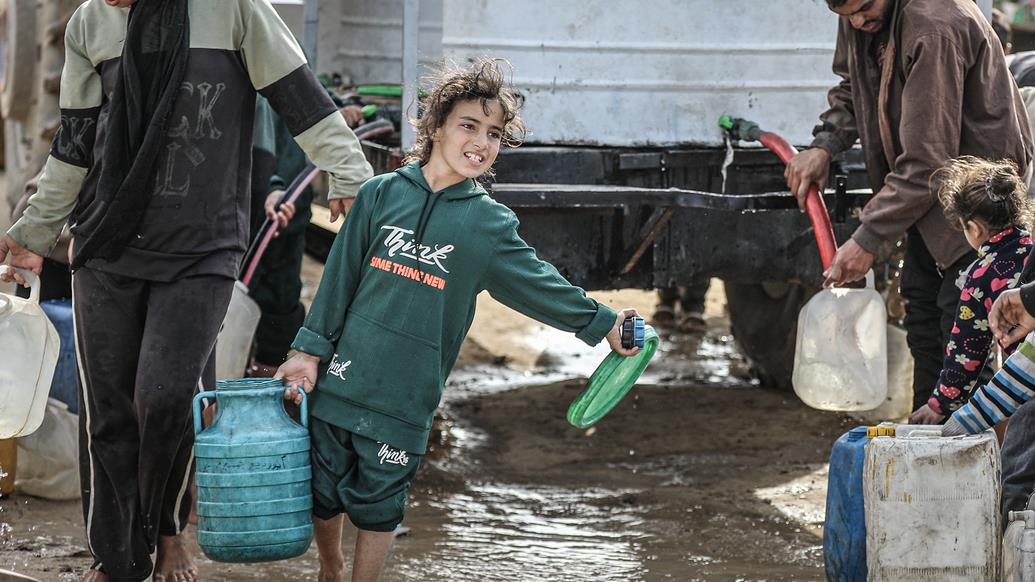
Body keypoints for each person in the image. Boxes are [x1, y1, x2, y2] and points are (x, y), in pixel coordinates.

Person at [0, 0, 373, 580]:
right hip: (105, 243)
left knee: (167, 398)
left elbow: (301, 101)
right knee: (110, 417)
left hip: (203, 244)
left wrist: (350, 175)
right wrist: (34, 232)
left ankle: (167, 527)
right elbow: (74, 145)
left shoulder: (234, 10)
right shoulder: (89, 24)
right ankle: (119, 560)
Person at [274, 58, 642, 582]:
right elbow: (338, 280)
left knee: (380, 506)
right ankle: (330, 566)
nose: (482, 142)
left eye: (493, 133)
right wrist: (307, 351)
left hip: (406, 397)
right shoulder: (381, 195)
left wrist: (604, 322)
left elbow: (538, 284)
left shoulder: (487, 223)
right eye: (469, 125)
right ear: (436, 126)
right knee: (323, 489)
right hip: (342, 378)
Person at [785, 0, 1033, 414]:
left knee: (970, 343)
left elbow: (926, 162)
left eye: (864, 9)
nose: (858, 22)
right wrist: (823, 147)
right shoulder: (860, 17)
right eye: (845, 16)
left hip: (976, 204)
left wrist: (866, 239)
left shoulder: (934, 26)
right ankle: (927, 448)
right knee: (924, 326)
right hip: (928, 200)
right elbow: (853, 87)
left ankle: (977, 460)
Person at [907, 157, 1032, 425]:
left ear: (973, 229)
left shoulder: (981, 275)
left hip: (1027, 384)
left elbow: (967, 350)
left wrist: (939, 404)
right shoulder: (1032, 251)